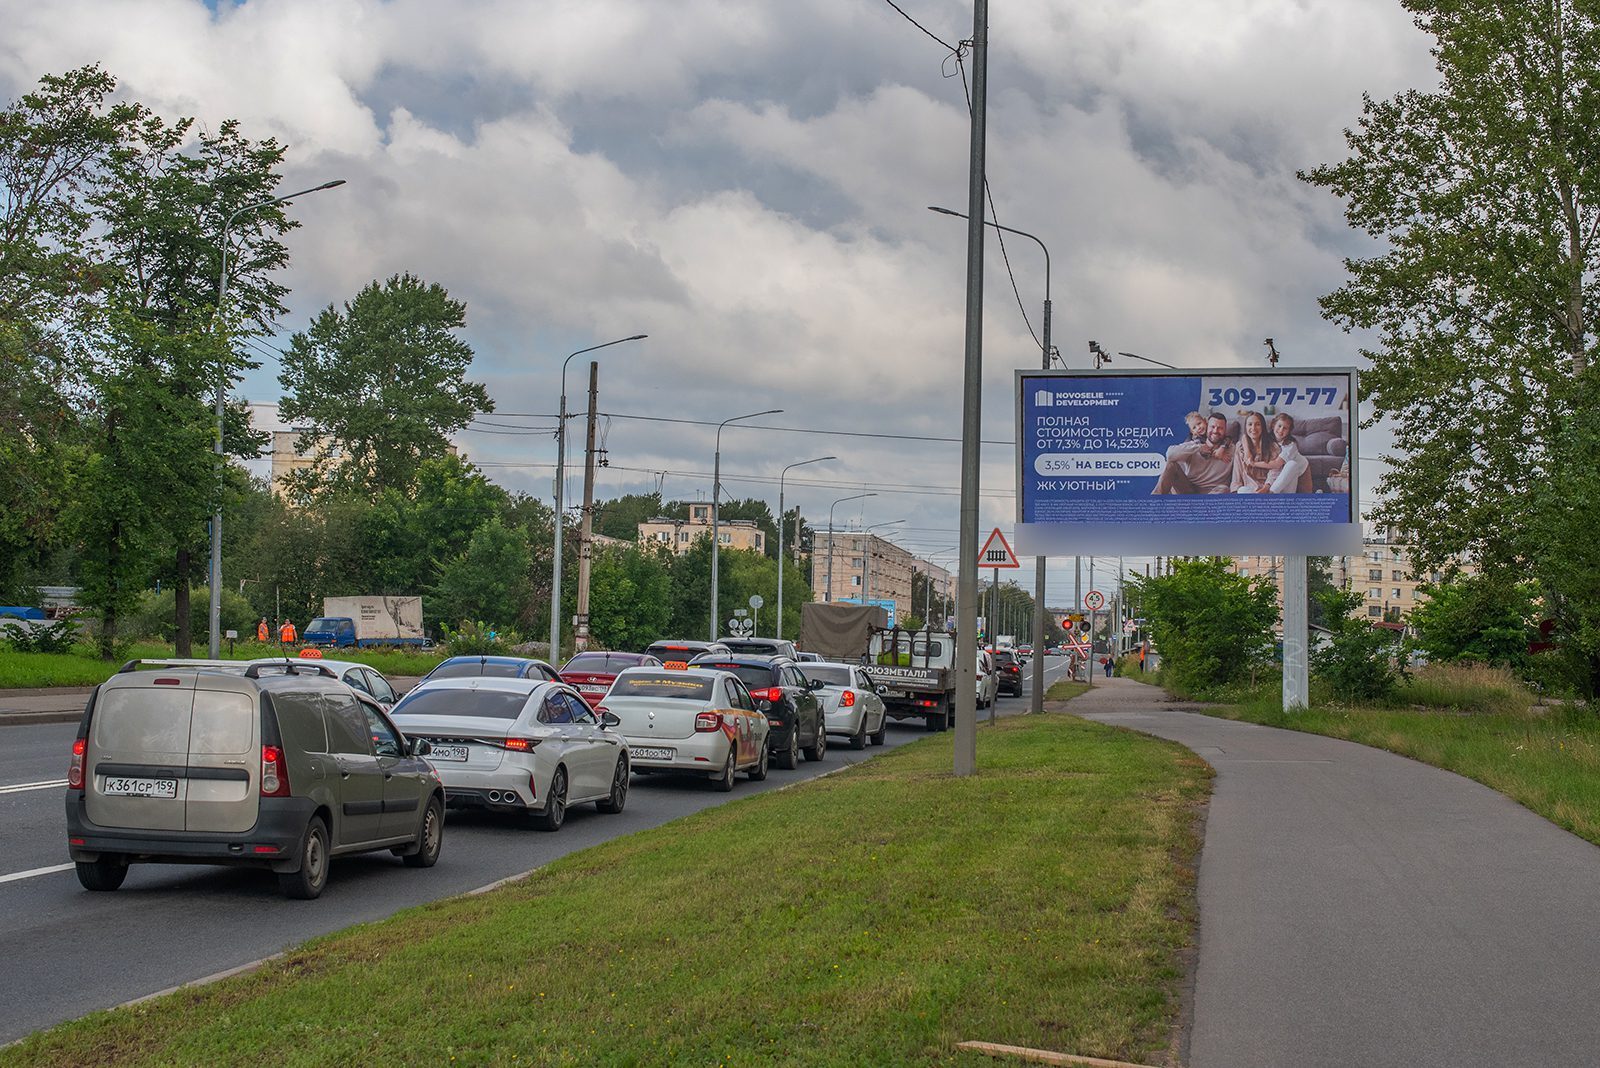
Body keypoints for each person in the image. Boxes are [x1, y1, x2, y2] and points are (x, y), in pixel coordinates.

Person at [1153, 412, 1234, 494]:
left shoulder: (1231, 448)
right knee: (1171, 465)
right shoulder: (1194, 444)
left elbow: (1242, 440)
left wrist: (1223, 447)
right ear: (1208, 426)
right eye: (1212, 427)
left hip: (1213, 492)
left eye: (1220, 428)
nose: (1215, 431)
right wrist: (1198, 448)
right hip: (1188, 489)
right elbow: (1170, 455)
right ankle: (1154, 502)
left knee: (1224, 489)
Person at [1231, 410, 1278, 492]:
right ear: (1245, 427)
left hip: (1269, 488)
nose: (1253, 428)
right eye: (1250, 424)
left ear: (1262, 427)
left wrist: (1266, 488)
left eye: (1257, 424)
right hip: (1250, 489)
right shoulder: (1240, 447)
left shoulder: (1272, 446)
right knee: (1242, 490)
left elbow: (1274, 471)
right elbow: (1237, 472)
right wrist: (1235, 490)